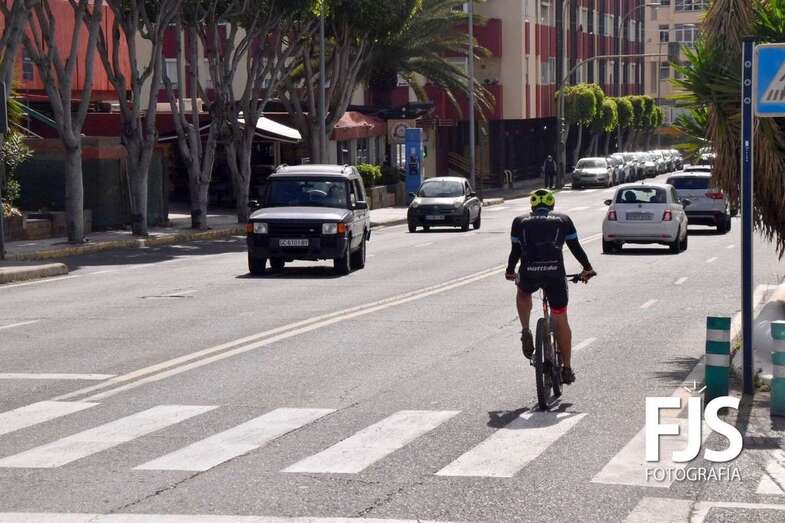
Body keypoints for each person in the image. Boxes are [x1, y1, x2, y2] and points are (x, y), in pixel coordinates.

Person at [505, 188, 596, 384]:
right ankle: (567, 368)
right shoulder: (563, 220)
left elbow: (515, 251)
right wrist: (587, 268)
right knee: (560, 316)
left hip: (529, 271)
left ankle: (526, 330)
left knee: (522, 293)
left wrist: (510, 271)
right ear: (552, 205)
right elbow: (575, 248)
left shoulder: (519, 222)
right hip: (555, 272)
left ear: (532, 206)